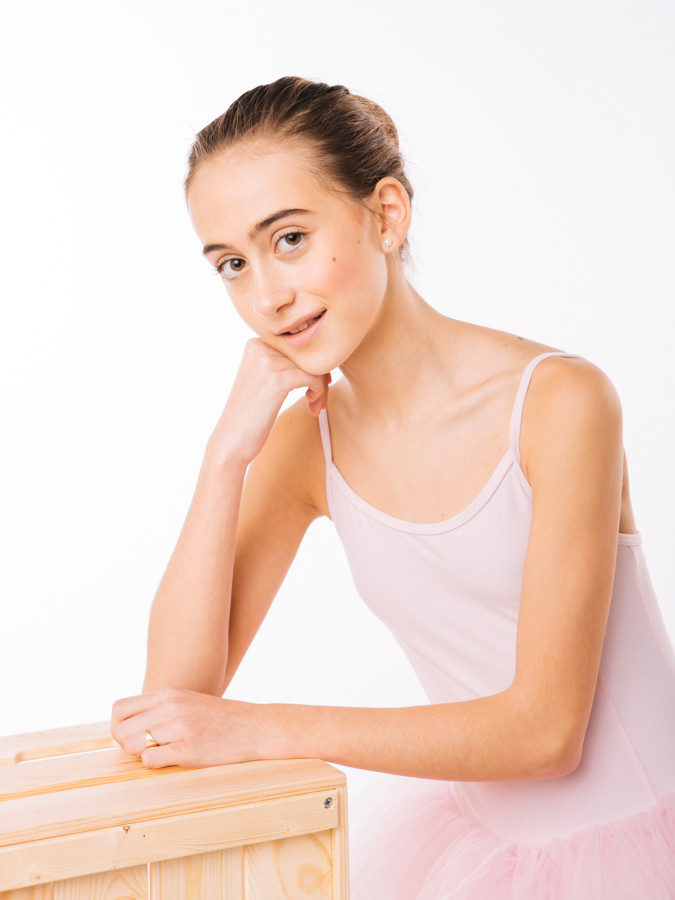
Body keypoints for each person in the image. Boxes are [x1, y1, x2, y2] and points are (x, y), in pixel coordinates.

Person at [111, 76, 675, 897]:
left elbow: (545, 733)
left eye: (290, 238)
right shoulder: (306, 443)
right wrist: (225, 454)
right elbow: (177, 701)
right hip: (492, 859)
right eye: (232, 263)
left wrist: (265, 729)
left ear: (385, 214)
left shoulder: (558, 402)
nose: (266, 297)